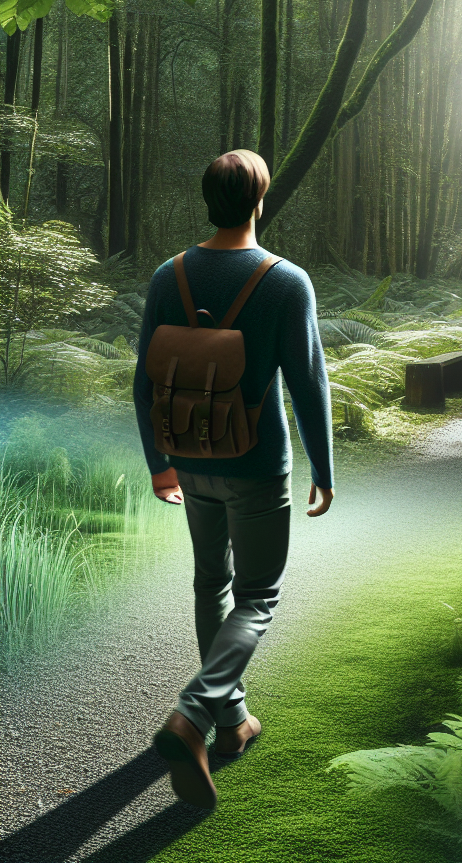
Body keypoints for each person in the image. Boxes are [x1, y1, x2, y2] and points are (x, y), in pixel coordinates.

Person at [132, 149, 334, 810]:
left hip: (190, 460)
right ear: (260, 202)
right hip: (255, 465)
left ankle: (230, 723)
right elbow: (308, 384)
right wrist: (324, 470)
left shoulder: (170, 276)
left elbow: (145, 380)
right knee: (258, 596)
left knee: (209, 583)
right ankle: (193, 715)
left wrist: (159, 462)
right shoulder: (285, 281)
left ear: (206, 201)